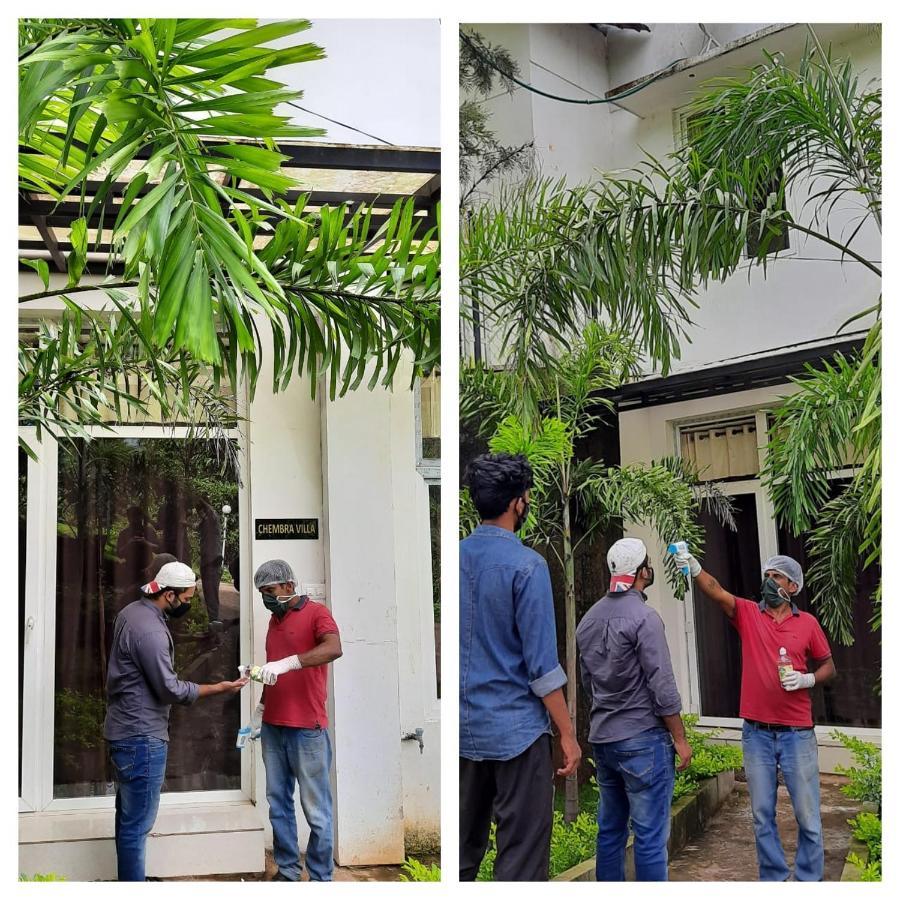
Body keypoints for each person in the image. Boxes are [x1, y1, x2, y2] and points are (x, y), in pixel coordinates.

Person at [670, 544, 836, 881]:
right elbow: (717, 593)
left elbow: (829, 666)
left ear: (792, 587)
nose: (769, 581)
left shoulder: (807, 624)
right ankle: (774, 879)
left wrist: (807, 679)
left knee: (808, 816)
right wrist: (695, 566)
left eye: (777, 577)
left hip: (797, 734)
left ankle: (809, 881)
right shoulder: (748, 614)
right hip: (756, 734)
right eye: (767, 576)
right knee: (761, 815)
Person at [459, 453, 581, 882]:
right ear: (517, 504)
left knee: (460, 860)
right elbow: (542, 668)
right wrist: (568, 735)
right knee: (522, 863)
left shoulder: (452, 560)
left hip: (461, 736)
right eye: (527, 495)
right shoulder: (527, 566)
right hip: (517, 736)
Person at [103, 561, 248, 881]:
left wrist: (191, 640)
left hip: (122, 731)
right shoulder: (152, 630)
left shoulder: (132, 613)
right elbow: (170, 689)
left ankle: (132, 880)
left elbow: (145, 654)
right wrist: (219, 687)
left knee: (127, 819)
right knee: (137, 825)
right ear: (168, 595)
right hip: (141, 737)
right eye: (186, 598)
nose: (188, 603)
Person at [576, 537, 692, 882]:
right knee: (650, 838)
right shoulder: (645, 618)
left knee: (610, 832)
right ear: (642, 571)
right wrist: (680, 738)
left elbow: (587, 684)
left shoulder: (588, 620)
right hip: (643, 742)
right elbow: (662, 686)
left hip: (605, 740)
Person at [249, 559, 343, 882]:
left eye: (271, 590)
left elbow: (334, 647)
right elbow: (273, 672)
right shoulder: (274, 622)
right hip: (274, 728)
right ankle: (288, 870)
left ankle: (320, 877)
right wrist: (260, 712)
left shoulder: (317, 614)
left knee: (316, 810)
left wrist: (291, 662)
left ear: (289, 586)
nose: (267, 598)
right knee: (278, 803)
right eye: (262, 592)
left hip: (307, 729)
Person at [195, 496, 223, 631]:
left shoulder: (213, 518)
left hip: (213, 564)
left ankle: (215, 631)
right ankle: (212, 628)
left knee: (212, 599)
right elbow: (195, 526)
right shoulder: (205, 522)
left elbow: (210, 510)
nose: (199, 513)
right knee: (208, 598)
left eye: (200, 510)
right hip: (206, 564)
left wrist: (196, 496)